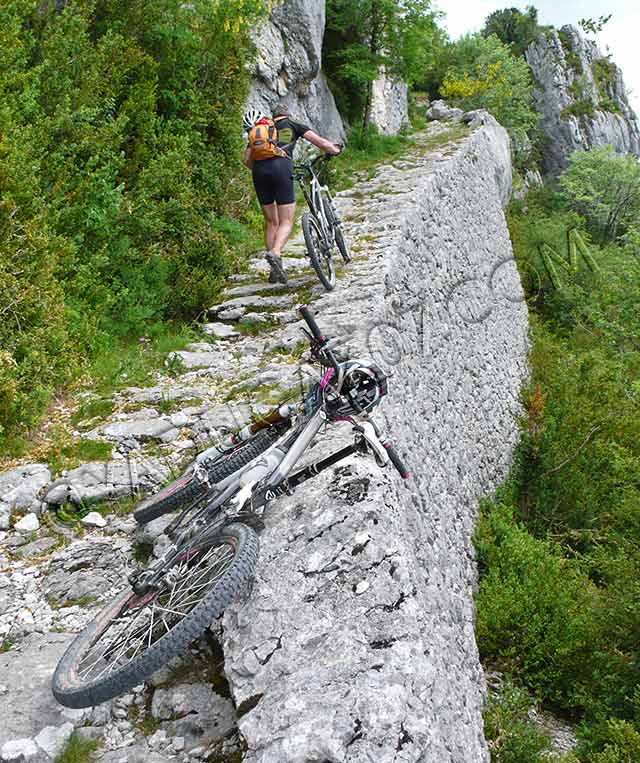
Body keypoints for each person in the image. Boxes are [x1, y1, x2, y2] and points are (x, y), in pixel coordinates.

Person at [242, 102, 342, 284]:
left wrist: (261, 169)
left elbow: (246, 160)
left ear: (273, 116)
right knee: (286, 220)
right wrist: (333, 149)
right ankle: (276, 252)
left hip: (259, 173)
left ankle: (274, 269)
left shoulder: (262, 129)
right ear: (286, 114)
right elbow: (318, 142)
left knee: (271, 221)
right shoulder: (293, 124)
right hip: (281, 167)